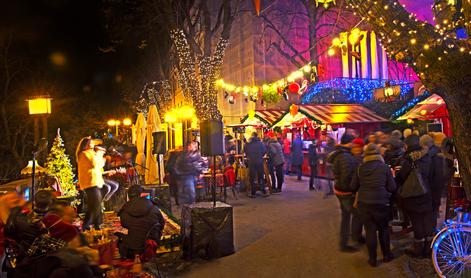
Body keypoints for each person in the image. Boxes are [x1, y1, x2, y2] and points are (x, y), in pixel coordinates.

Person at [350, 144, 396, 267]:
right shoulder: (385, 168)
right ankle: (386, 255)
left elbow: (353, 187)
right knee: (384, 229)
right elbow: (392, 187)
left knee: (370, 231)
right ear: (378, 154)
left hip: (364, 204)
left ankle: (373, 259)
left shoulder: (360, 168)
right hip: (382, 203)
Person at [395, 135, 434, 257]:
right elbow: (432, 174)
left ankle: (418, 249)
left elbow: (401, 177)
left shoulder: (409, 159)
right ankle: (429, 248)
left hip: (413, 196)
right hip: (426, 193)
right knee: (426, 220)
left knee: (417, 221)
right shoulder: (427, 156)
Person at [327, 133, 362, 252]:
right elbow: (346, 176)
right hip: (345, 191)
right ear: (350, 142)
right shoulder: (345, 156)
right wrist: (352, 189)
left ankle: (350, 239)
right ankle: (347, 241)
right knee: (356, 214)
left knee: (347, 216)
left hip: (340, 189)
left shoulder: (340, 154)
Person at [118, 185, 165, 259]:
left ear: (129, 196)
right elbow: (162, 224)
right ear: (141, 194)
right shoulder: (153, 206)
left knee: (119, 237)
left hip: (133, 246)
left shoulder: (125, 209)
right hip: (152, 243)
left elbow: (124, 224)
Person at [76, 137, 106, 230]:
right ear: (86, 144)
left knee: (95, 205)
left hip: (96, 182)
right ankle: (87, 225)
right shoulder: (84, 154)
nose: (93, 144)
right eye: (91, 142)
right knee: (95, 205)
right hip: (90, 183)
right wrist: (99, 154)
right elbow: (94, 164)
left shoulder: (91, 153)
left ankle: (96, 225)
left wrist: (100, 155)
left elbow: (100, 165)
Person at [244, 132, 268, 197]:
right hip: (260, 161)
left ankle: (253, 192)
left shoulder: (248, 144)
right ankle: (263, 190)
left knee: (252, 177)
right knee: (261, 176)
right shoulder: (261, 143)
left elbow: (245, 152)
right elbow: (264, 151)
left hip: (251, 162)